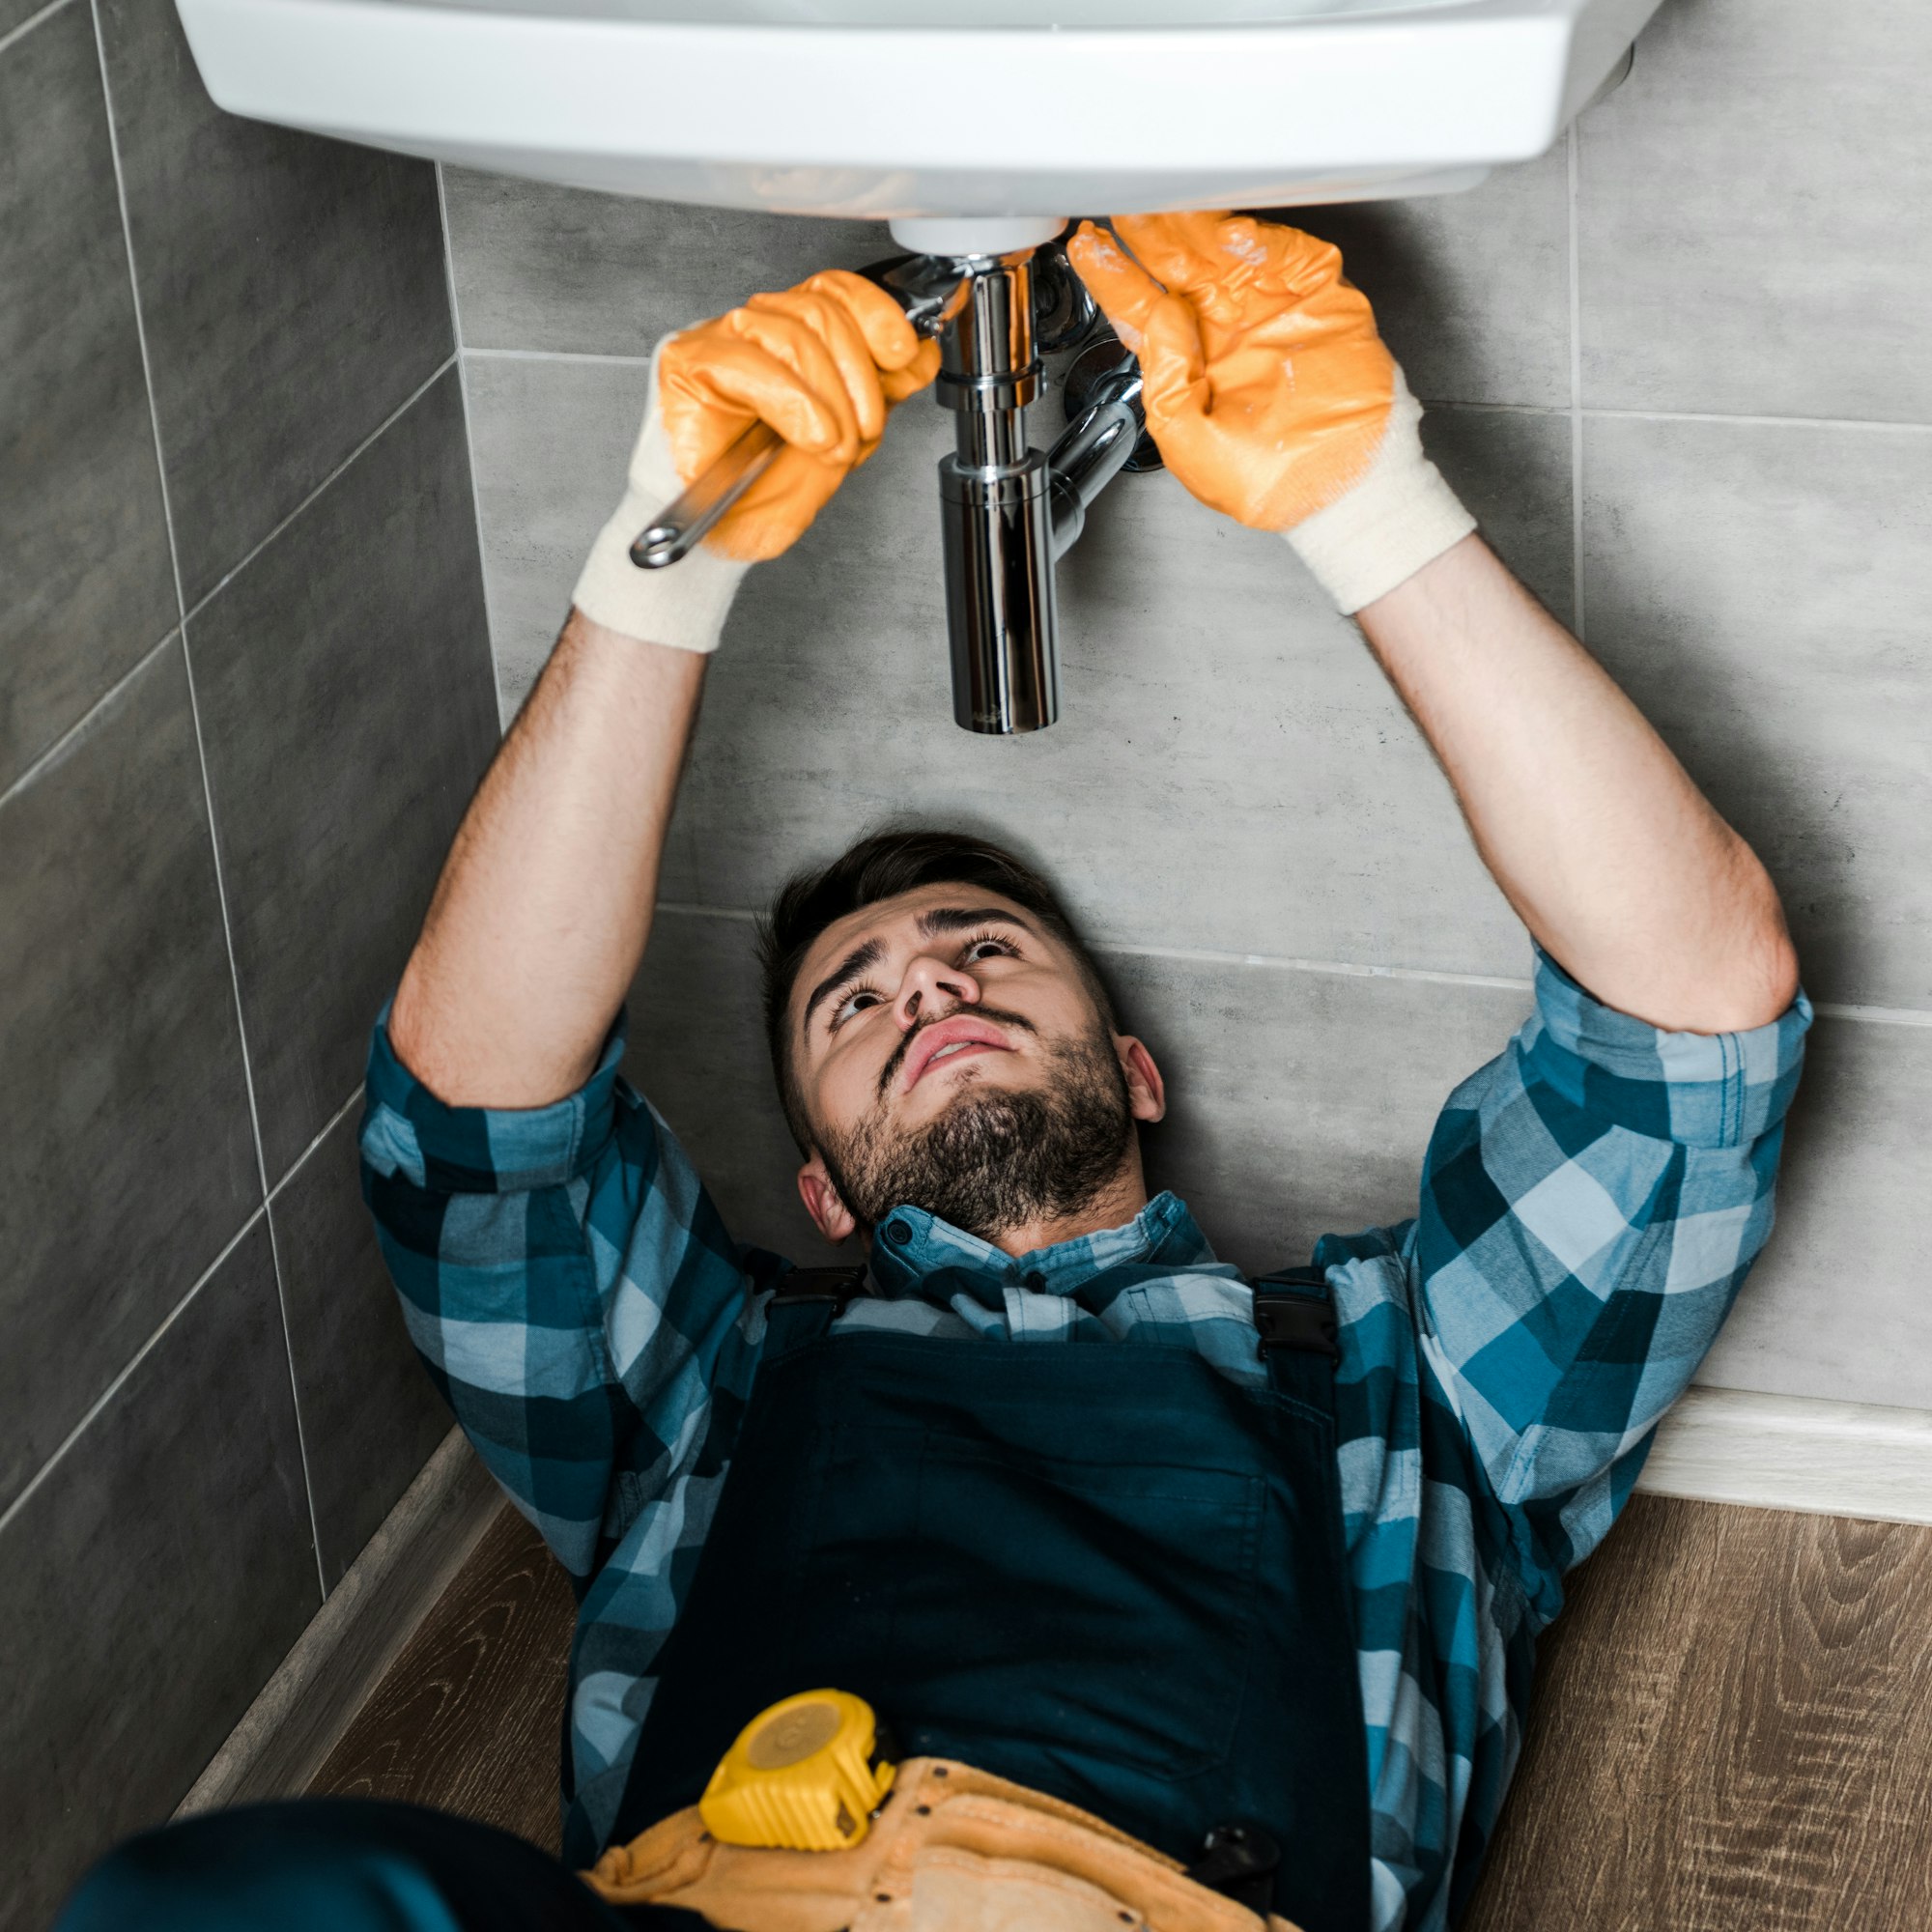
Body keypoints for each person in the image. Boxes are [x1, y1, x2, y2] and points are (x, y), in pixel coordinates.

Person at [59, 213, 1808, 1932]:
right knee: (206, 1901)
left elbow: (1692, 1024)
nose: (929, 992)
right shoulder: (706, 1392)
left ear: (1133, 1069)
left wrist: (1369, 504)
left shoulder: (1406, 1382)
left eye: (986, 951)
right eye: (853, 1008)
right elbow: (474, 1134)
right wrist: (662, 564)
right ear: (818, 1188)